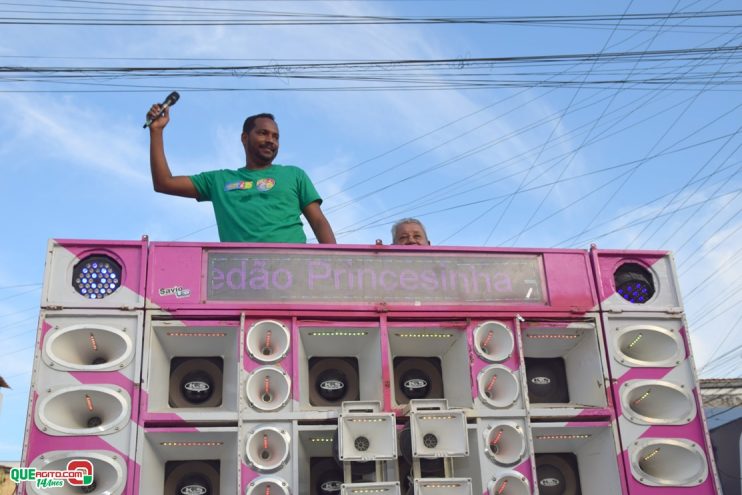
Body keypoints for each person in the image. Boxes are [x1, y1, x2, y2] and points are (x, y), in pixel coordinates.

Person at [147, 105, 336, 244]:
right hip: (237, 281)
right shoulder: (219, 180)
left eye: (275, 136)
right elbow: (164, 183)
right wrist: (156, 131)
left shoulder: (295, 175)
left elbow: (319, 222)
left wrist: (338, 265)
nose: (271, 140)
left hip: (293, 275)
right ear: (244, 138)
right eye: (263, 133)